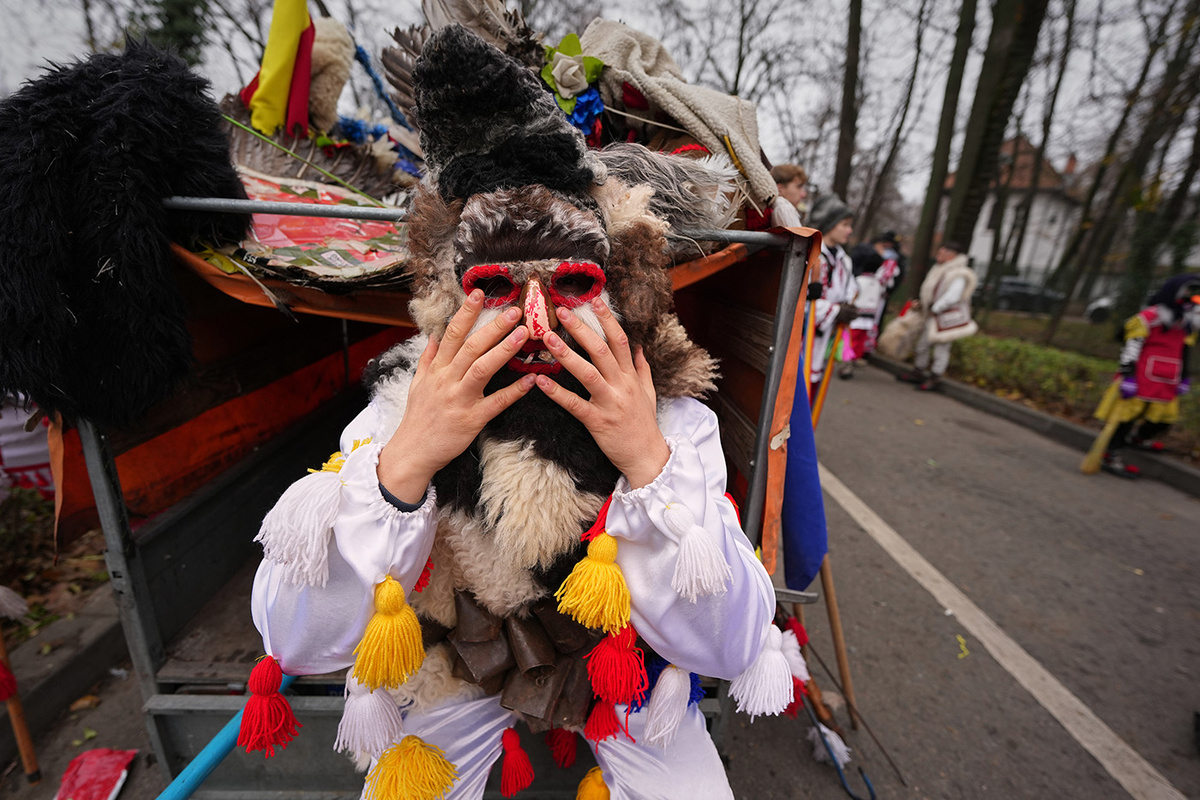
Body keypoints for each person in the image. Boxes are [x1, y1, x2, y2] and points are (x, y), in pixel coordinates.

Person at [245, 27, 790, 800]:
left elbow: (729, 646)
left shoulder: (667, 418)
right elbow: (297, 641)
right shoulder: (405, 408)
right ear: (448, 294)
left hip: (620, 666)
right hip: (461, 661)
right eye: (496, 289)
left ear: (616, 286)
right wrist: (406, 463)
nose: (536, 325)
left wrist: (646, 463)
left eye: (570, 285)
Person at [1092, 274, 1200, 477]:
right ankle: (1111, 454)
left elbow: (1184, 351)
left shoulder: (1187, 324)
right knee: (1127, 418)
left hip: (1168, 379)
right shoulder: (1150, 318)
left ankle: (1139, 438)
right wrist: (1128, 375)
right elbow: (1132, 346)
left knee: (1164, 419)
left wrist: (1184, 377)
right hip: (1141, 376)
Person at [897, 241, 977, 391]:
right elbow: (934, 293)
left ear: (951, 255)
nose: (938, 255)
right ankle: (918, 371)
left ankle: (935, 377)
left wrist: (935, 307)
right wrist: (923, 304)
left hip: (947, 318)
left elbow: (953, 296)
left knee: (941, 348)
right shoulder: (940, 270)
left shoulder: (958, 274)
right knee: (922, 345)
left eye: (941, 252)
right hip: (934, 315)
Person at [807, 195, 859, 389]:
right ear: (829, 225)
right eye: (844, 224)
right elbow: (799, 301)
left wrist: (849, 307)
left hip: (826, 339)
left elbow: (850, 290)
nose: (849, 230)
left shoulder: (845, 260)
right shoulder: (811, 254)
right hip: (803, 342)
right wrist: (836, 311)